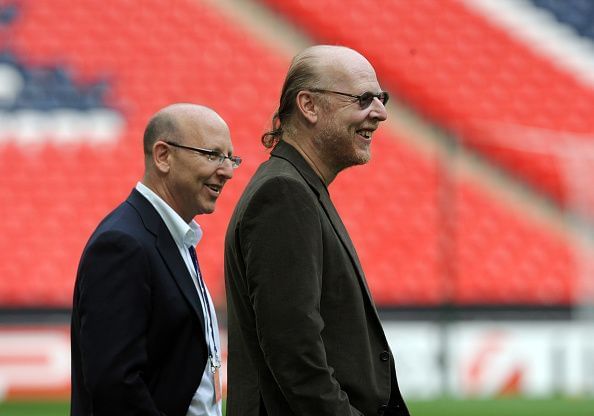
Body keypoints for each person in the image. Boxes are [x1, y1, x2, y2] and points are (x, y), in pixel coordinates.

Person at [224, 45, 410, 416]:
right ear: (308, 105)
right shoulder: (284, 193)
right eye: (363, 98)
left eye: (381, 98)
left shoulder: (297, 187)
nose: (381, 112)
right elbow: (296, 356)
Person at [71, 103, 241, 416]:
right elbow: (116, 387)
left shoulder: (173, 236)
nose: (227, 171)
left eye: (230, 158)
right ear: (163, 156)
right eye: (212, 154)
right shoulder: (123, 244)